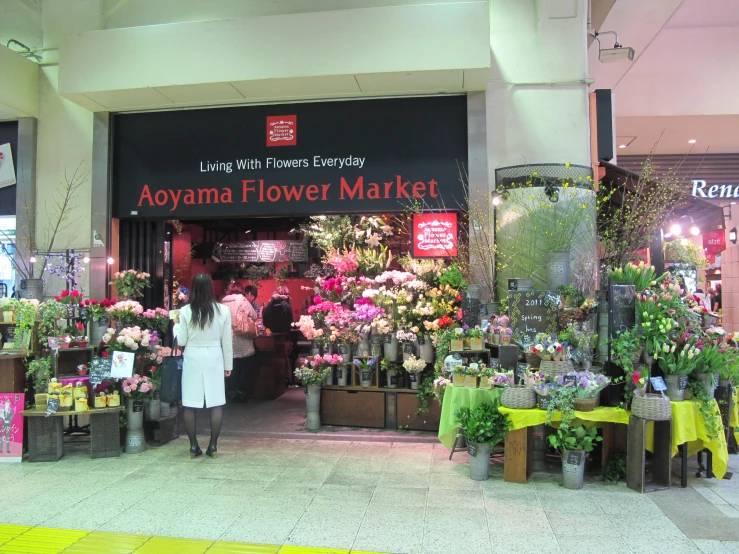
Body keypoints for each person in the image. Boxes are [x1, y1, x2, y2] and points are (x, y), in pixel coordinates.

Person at [174, 274, 233, 459]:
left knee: (190, 403)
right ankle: (213, 446)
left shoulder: (185, 311)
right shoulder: (223, 310)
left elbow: (181, 341)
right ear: (210, 288)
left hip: (192, 356)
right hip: (215, 356)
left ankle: (193, 447)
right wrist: (228, 364)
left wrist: (175, 327)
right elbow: (227, 341)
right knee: (216, 402)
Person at [221, 281, 258, 402]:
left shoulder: (223, 301)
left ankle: (230, 393)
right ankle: (240, 393)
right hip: (241, 339)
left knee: (230, 367)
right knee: (242, 367)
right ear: (241, 290)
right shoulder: (242, 300)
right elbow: (254, 315)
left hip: (227, 340)